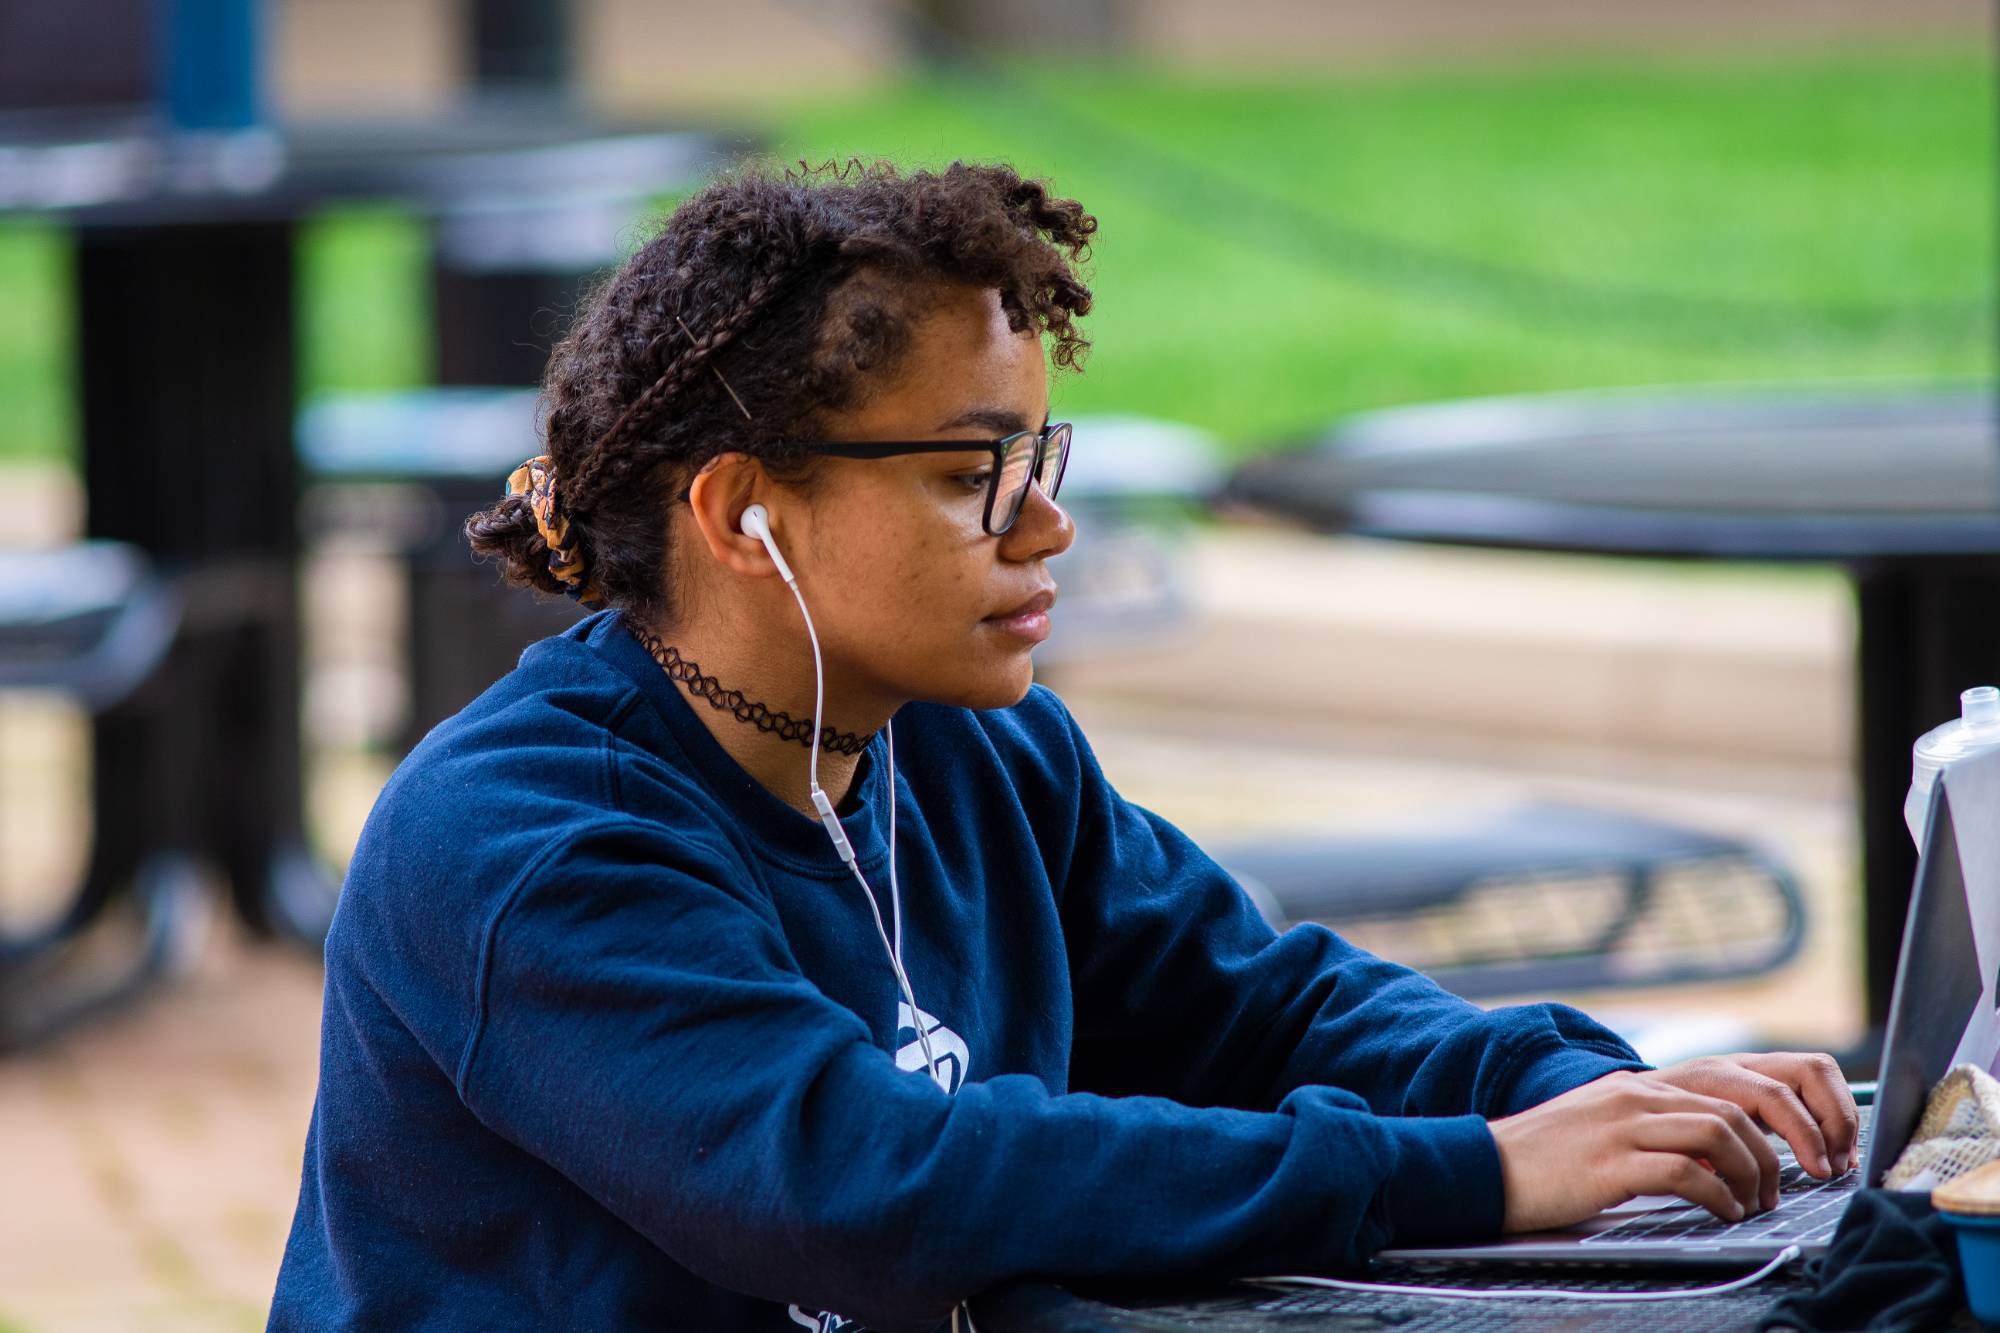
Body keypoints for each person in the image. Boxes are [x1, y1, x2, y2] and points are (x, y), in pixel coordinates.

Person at [268, 158, 1860, 1333]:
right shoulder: (525, 843)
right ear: (745, 513)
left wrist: (1590, 1097)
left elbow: (1263, 1004)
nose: (1048, 524)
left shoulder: (968, 753)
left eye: (1041, 456)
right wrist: (1477, 1171)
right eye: (973, 473)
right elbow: (863, 1180)